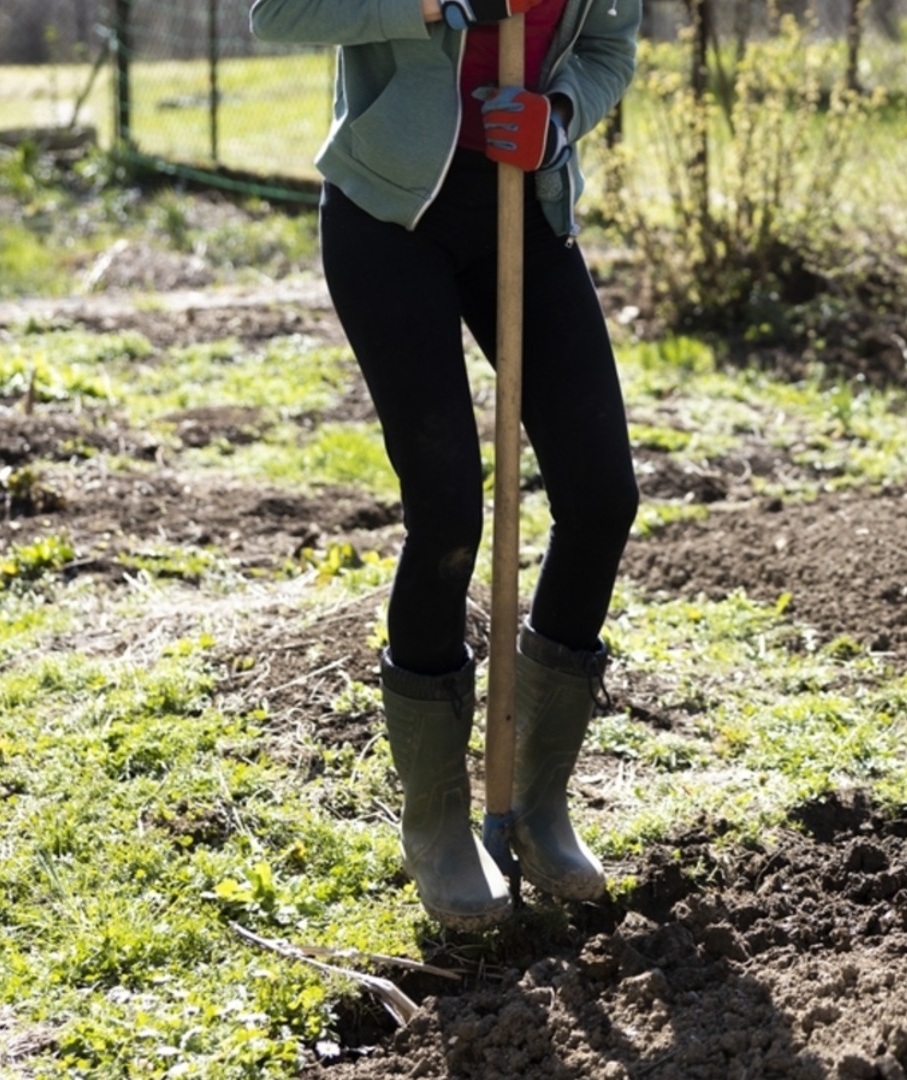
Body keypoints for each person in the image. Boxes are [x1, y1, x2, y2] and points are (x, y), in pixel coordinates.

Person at [251, 0, 642, 928]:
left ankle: (539, 804)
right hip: (390, 216)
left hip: (523, 202)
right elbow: (279, 14)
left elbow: (608, 45)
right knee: (448, 513)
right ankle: (436, 825)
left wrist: (558, 119)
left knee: (601, 496)